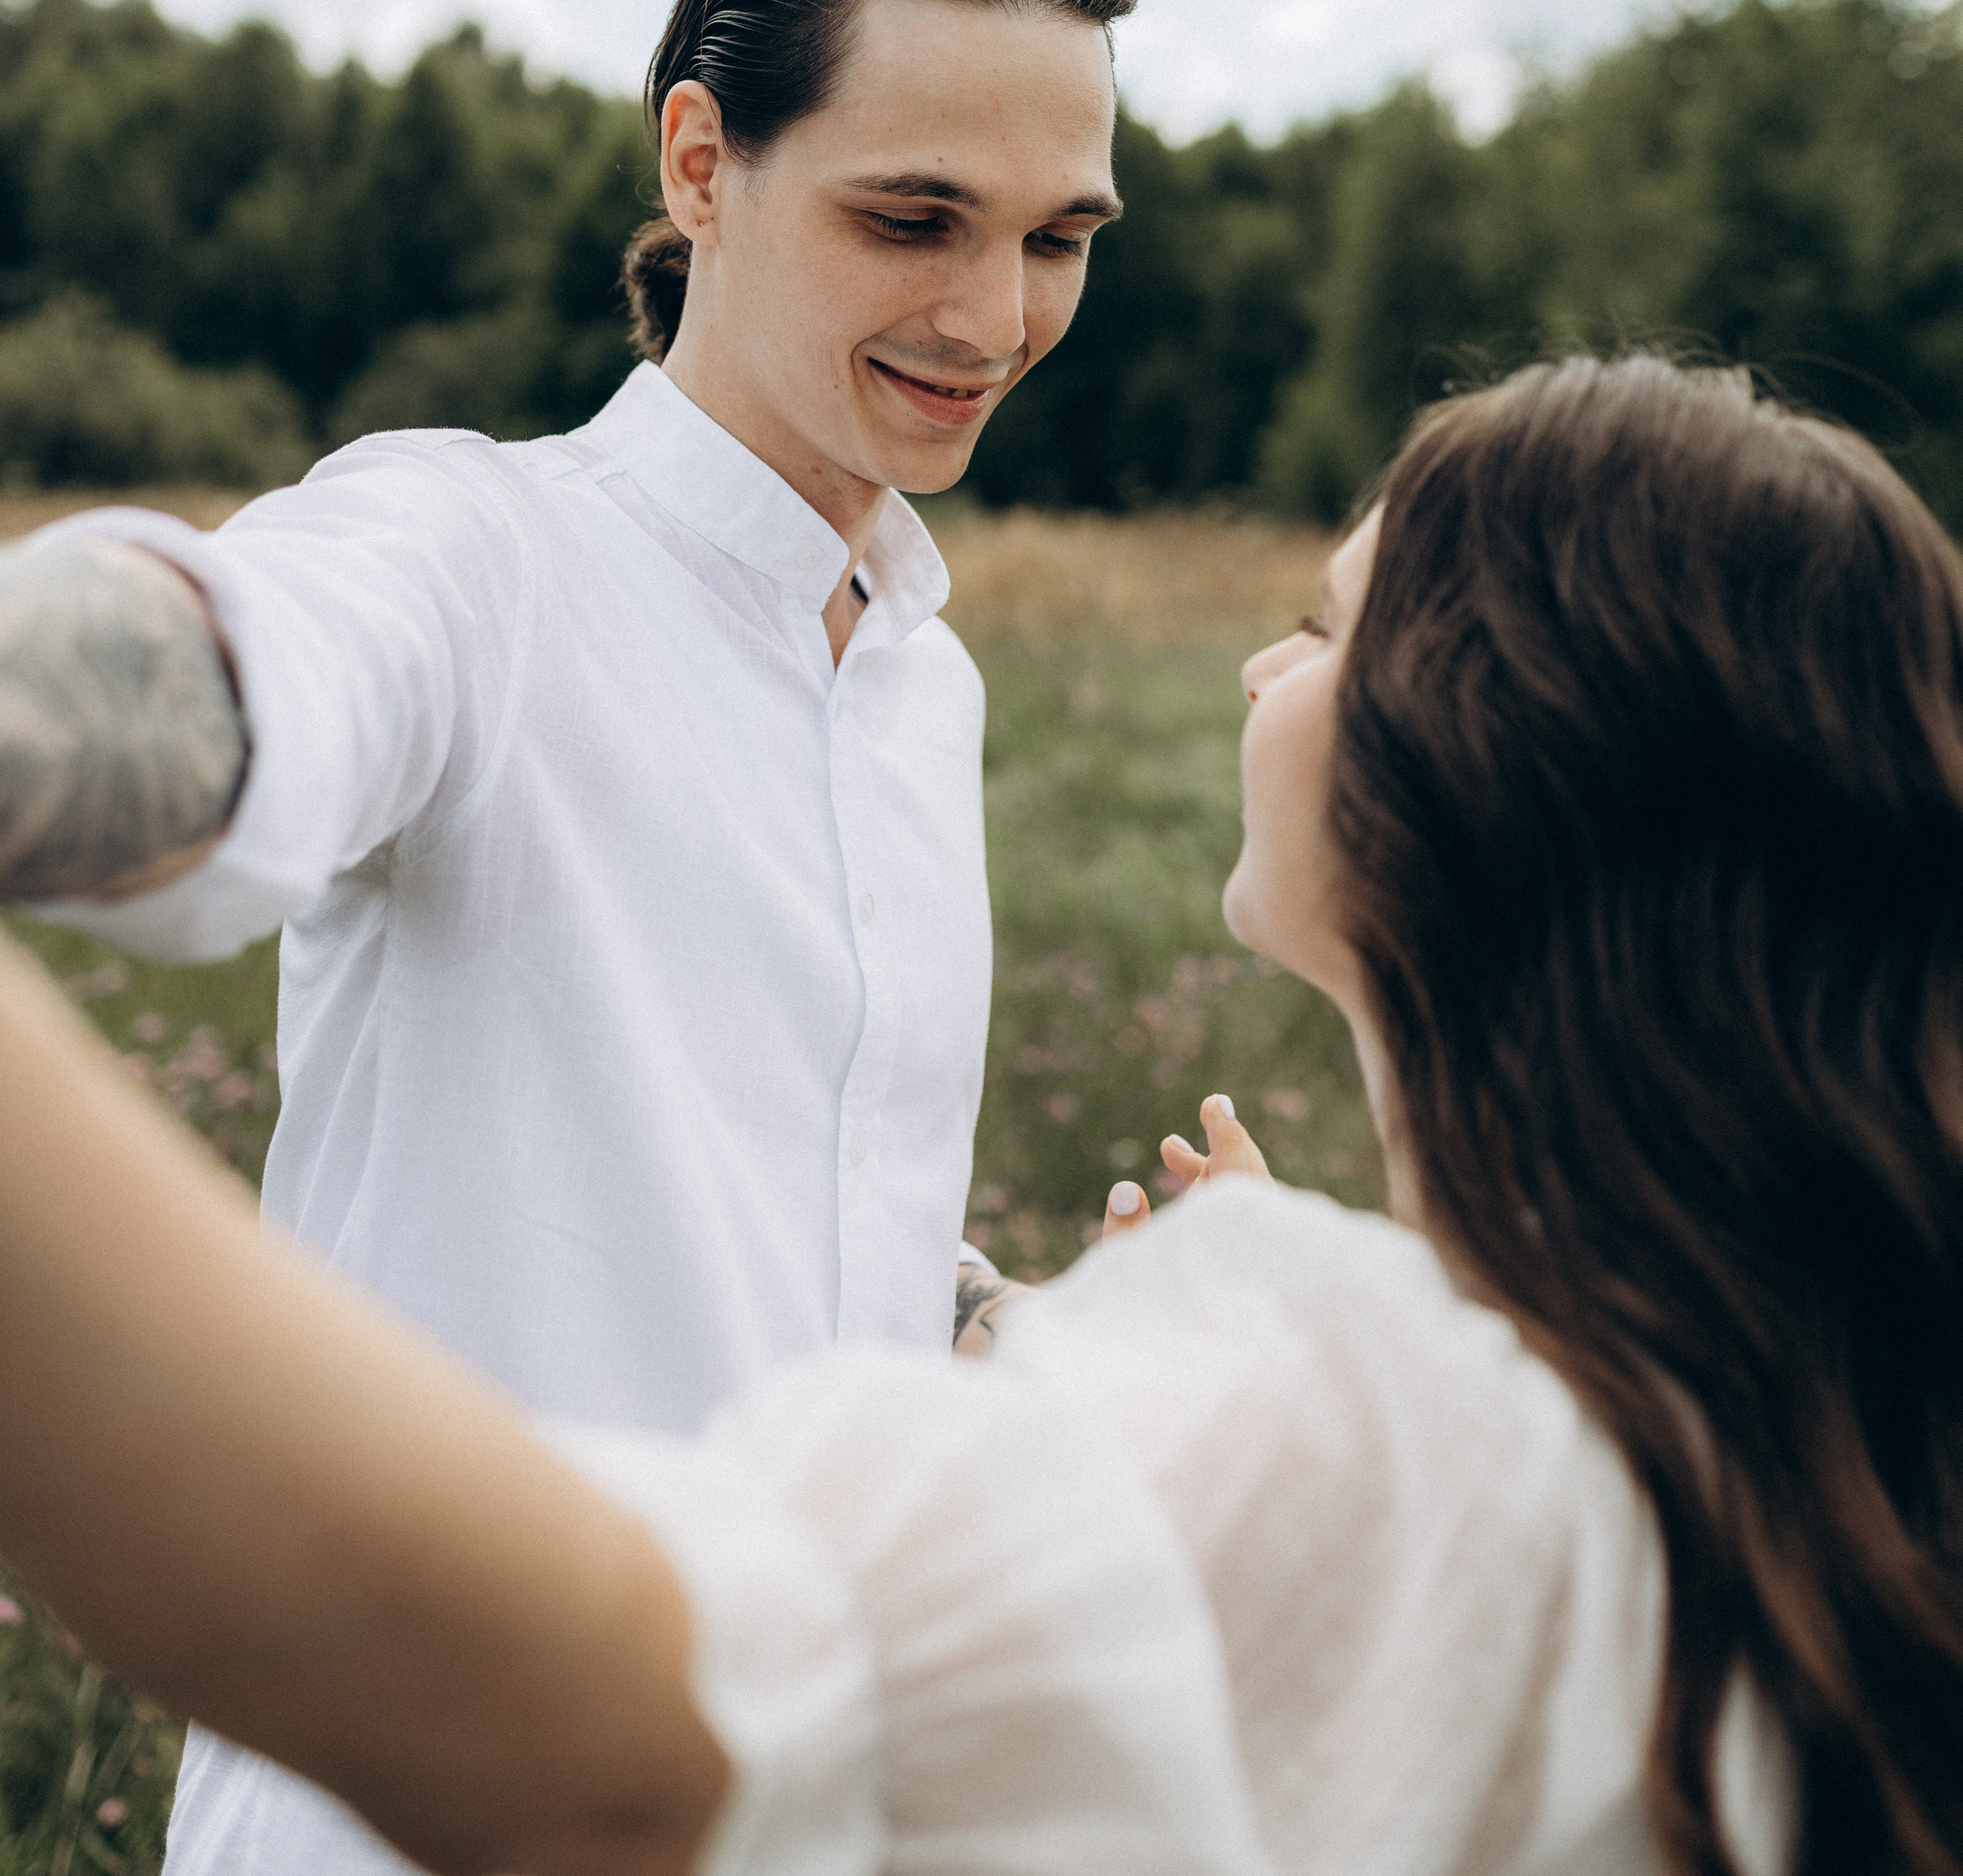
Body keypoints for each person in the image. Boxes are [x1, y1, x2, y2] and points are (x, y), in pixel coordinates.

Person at [12, 351, 1962, 1873]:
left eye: (1326, 621)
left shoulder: (1374, 1425)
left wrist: (1283, 1418)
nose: (1258, 660)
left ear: (1495, 765)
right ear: (701, 161)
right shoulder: (1796, 1426)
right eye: (908, 211)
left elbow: (591, 1747)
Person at [5, 0, 1131, 1876]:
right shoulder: (469, 548)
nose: (996, 311)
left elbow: (753, 1189)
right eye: (918, 217)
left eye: (1060, 236)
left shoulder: (926, 682)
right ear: (702, 161)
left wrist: (1009, 1325)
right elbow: (228, 667)